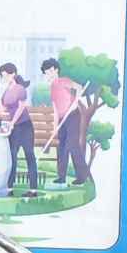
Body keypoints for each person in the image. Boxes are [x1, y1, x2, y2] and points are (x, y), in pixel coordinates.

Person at [0, 64, 39, 197]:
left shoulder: (20, 89)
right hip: (14, 129)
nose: (3, 78)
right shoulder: (6, 92)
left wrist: (12, 122)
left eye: (5, 75)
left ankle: (33, 189)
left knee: (29, 155)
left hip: (25, 126)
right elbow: (3, 109)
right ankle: (9, 188)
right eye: (2, 76)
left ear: (13, 74)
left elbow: (21, 107)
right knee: (12, 157)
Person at [40, 58, 89, 186]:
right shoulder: (52, 87)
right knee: (61, 147)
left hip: (72, 116)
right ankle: (61, 176)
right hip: (62, 119)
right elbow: (55, 108)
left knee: (72, 145)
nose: (48, 74)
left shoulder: (63, 81)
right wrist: (55, 127)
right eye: (46, 72)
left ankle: (82, 176)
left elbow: (79, 87)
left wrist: (75, 103)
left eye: (50, 71)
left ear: (56, 70)